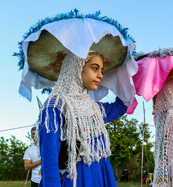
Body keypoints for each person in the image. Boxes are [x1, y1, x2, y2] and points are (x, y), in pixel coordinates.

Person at [37, 51, 128, 187]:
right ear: (76, 68)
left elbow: (122, 106)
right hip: (73, 181)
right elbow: (49, 164)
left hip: (99, 178)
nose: (101, 75)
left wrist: (124, 72)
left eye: (102, 70)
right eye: (95, 68)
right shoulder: (55, 107)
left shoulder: (95, 108)